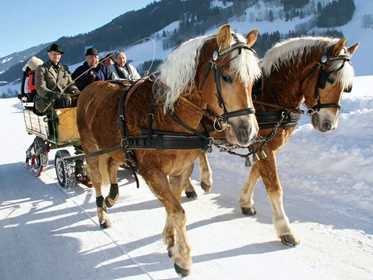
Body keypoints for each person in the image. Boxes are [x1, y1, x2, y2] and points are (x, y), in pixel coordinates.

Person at [34, 44, 79, 113]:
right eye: (54, 54)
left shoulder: (64, 69)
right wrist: (52, 94)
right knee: (63, 101)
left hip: (64, 100)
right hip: (48, 101)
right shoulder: (42, 69)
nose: (56, 56)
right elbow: (40, 88)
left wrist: (76, 92)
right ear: (49, 54)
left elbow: (71, 84)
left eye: (58, 54)